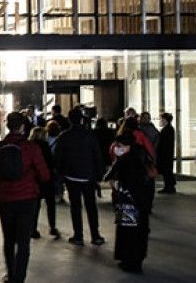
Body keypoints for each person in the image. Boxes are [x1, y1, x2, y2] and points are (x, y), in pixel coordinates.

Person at [0, 112, 50, 283]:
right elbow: (44, 174)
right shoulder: (31, 148)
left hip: (5, 198)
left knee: (8, 239)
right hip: (27, 199)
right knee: (23, 243)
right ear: (23, 127)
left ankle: (10, 275)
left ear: (7, 126)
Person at [104, 132, 156, 273]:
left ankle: (129, 261)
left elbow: (116, 178)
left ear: (127, 146)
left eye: (119, 146)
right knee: (139, 232)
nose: (117, 148)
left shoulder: (126, 160)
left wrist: (116, 185)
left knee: (127, 232)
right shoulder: (142, 154)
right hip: (142, 201)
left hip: (129, 201)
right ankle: (136, 260)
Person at [55, 108, 106, 246]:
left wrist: (61, 174)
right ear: (82, 119)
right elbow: (97, 155)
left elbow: (58, 157)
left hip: (71, 176)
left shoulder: (64, 136)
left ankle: (78, 236)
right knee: (91, 206)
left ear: (69, 120)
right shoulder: (89, 135)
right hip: (88, 175)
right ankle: (95, 235)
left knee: (75, 207)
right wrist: (99, 174)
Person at [28, 126, 60, 240]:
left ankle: (33, 229)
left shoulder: (30, 146)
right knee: (50, 204)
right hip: (46, 178)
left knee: (35, 206)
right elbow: (50, 162)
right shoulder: (45, 145)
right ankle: (52, 227)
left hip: (34, 179)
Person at [155, 113, 177, 194]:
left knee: (166, 171)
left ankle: (169, 186)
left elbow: (164, 143)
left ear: (165, 120)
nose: (160, 121)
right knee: (167, 170)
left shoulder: (167, 129)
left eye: (161, 119)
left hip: (165, 154)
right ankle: (169, 186)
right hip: (167, 153)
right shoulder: (169, 129)